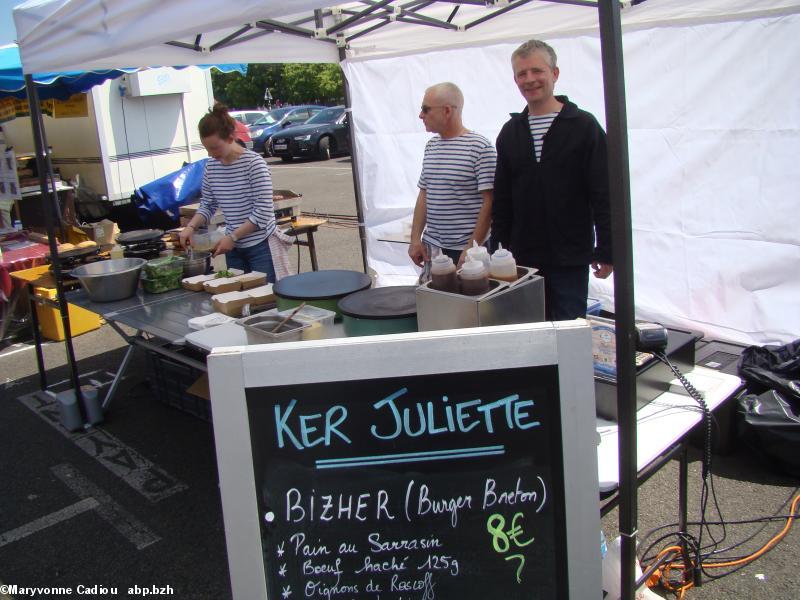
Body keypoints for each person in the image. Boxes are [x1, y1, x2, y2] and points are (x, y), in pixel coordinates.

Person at [492, 39, 613, 321]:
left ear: (554, 74)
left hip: (569, 255)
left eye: (537, 71)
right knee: (528, 332)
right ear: (515, 80)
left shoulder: (584, 126)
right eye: (522, 74)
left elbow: (603, 192)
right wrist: (498, 250)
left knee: (568, 332)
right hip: (521, 259)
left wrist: (608, 249)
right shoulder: (511, 132)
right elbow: (503, 199)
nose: (530, 80)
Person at [179, 103, 277, 282]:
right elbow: (208, 204)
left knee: (265, 301)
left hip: (261, 246)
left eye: (215, 147)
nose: (211, 153)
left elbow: (263, 212)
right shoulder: (212, 166)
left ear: (231, 137)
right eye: (207, 148)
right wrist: (190, 228)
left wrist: (233, 236)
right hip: (233, 246)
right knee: (239, 302)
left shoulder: (254, 164)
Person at [409, 82, 497, 269]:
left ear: (447, 111)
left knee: (465, 298)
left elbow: (489, 202)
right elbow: (424, 194)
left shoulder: (480, 147)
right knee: (433, 298)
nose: (421, 115)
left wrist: (471, 248)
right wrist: (415, 239)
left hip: (467, 250)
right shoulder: (431, 146)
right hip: (433, 247)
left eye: (426, 109)